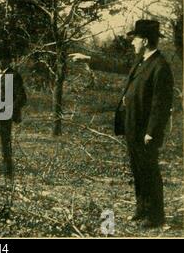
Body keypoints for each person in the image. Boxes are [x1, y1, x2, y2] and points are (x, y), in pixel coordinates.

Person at [70, 19, 174, 228]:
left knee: (149, 171)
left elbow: (160, 105)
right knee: (138, 169)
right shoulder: (141, 61)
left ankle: (155, 216)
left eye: (134, 38)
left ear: (144, 40)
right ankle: (142, 209)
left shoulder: (160, 66)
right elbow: (117, 65)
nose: (131, 42)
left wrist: (152, 131)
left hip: (146, 131)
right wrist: (88, 58)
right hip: (133, 125)